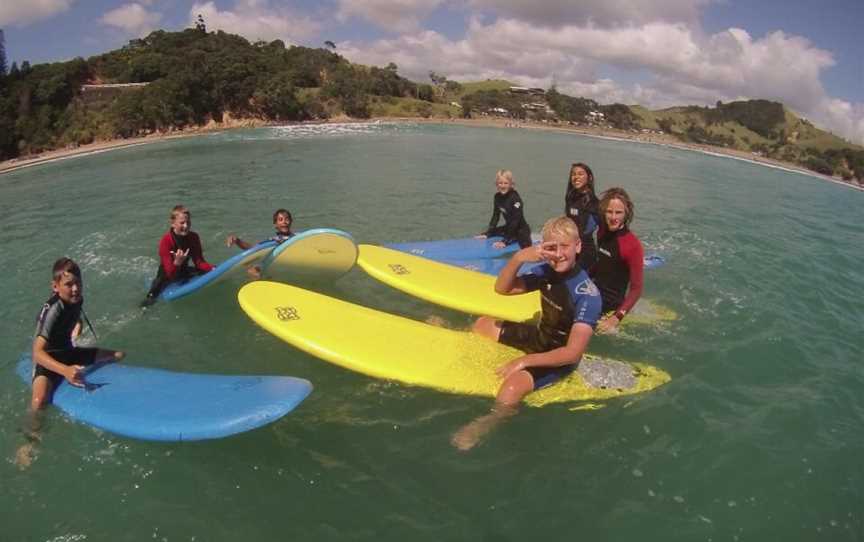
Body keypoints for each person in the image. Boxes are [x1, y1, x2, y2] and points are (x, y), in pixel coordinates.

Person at [453, 216, 602, 450]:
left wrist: (523, 361)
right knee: (483, 323)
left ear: (578, 246)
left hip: (558, 359)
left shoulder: (588, 295)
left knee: (510, 390)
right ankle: (454, 333)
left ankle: (488, 422)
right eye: (552, 247)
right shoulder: (546, 272)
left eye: (565, 246)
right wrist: (519, 258)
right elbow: (502, 288)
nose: (559, 254)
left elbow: (572, 354)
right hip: (540, 337)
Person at [17, 258, 124, 469]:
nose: (75, 289)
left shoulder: (77, 299)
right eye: (68, 285)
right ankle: (28, 443)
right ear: (55, 287)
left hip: (69, 353)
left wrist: (77, 329)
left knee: (118, 355)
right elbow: (36, 353)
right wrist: (65, 371)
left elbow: (76, 318)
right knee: (39, 400)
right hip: (48, 361)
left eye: (78, 283)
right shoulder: (52, 310)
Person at [590, 187, 644, 335]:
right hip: (593, 292)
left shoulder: (632, 245)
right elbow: (600, 263)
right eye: (609, 211)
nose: (613, 217)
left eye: (618, 212)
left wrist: (616, 317)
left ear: (626, 213)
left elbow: (636, 289)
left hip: (610, 306)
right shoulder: (602, 231)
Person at [142, 205, 214, 305]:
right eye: (182, 223)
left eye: (188, 222)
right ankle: (142, 309)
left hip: (184, 271)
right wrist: (177, 262)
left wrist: (213, 269)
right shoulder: (166, 241)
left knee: (207, 271)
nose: (186, 226)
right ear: (173, 224)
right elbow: (170, 274)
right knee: (150, 298)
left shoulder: (194, 237)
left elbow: (199, 262)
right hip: (166, 275)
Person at [225, 208, 295, 279]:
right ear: (275, 224)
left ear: (291, 221)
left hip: (290, 264)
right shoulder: (273, 241)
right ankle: (265, 283)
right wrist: (237, 241)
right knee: (252, 270)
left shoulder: (297, 238)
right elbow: (254, 248)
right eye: (280, 220)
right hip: (279, 267)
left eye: (287, 219)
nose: (284, 222)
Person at [475, 169, 532, 249]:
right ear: (496, 184)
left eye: (506, 183)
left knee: (525, 247)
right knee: (489, 232)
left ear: (511, 184)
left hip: (521, 230)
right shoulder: (497, 197)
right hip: (508, 227)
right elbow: (495, 216)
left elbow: (515, 221)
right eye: (500, 183)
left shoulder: (515, 199)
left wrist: (505, 241)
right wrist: (488, 233)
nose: (503, 186)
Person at [564, 162, 600, 268]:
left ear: (589, 178)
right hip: (571, 246)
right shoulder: (570, 197)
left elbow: (590, 231)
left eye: (580, 174)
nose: (576, 177)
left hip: (585, 252)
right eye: (573, 174)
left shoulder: (593, 203)